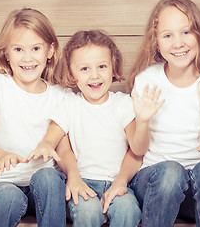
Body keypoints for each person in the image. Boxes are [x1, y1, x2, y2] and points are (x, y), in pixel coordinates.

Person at [28, 30, 164, 227]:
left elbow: (138, 150)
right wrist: (45, 145)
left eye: (102, 66)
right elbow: (50, 139)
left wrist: (143, 122)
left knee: (129, 210)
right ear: (72, 74)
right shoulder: (68, 105)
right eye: (84, 69)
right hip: (82, 183)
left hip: (118, 181)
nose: (95, 75)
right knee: (88, 212)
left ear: (113, 67)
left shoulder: (124, 104)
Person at [128, 0, 200, 227]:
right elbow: (137, 150)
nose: (178, 43)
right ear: (156, 42)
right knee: (171, 172)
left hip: (196, 190)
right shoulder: (147, 81)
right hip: (154, 182)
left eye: (186, 32)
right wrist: (144, 121)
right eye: (168, 35)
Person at [0, 8, 68, 227]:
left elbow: (64, 149)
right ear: (6, 53)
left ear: (50, 51)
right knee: (8, 197)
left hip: (44, 187)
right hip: (3, 184)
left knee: (49, 178)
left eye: (35, 48)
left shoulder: (60, 96)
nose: (28, 57)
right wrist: (1, 154)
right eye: (18, 49)